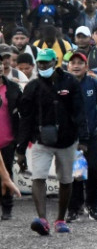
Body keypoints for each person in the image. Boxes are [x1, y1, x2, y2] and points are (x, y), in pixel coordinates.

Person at [15, 48, 88, 236]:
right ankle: (43, 219)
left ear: (55, 62)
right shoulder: (32, 87)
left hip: (67, 141)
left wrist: (83, 139)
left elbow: (80, 111)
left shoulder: (70, 82)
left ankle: (60, 219)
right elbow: (26, 118)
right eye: (39, 62)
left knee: (66, 180)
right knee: (38, 177)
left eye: (46, 63)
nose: (42, 66)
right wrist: (21, 149)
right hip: (41, 141)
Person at [66, 52, 97, 223]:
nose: (76, 66)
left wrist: (96, 121)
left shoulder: (94, 83)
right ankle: (74, 208)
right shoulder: (63, 85)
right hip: (72, 138)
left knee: (93, 170)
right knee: (75, 173)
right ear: (68, 66)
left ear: (86, 66)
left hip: (91, 136)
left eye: (80, 63)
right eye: (73, 63)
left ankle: (92, 205)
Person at [0, 69, 22, 220]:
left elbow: (23, 111)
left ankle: (7, 207)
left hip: (7, 138)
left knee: (6, 173)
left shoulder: (12, 87)